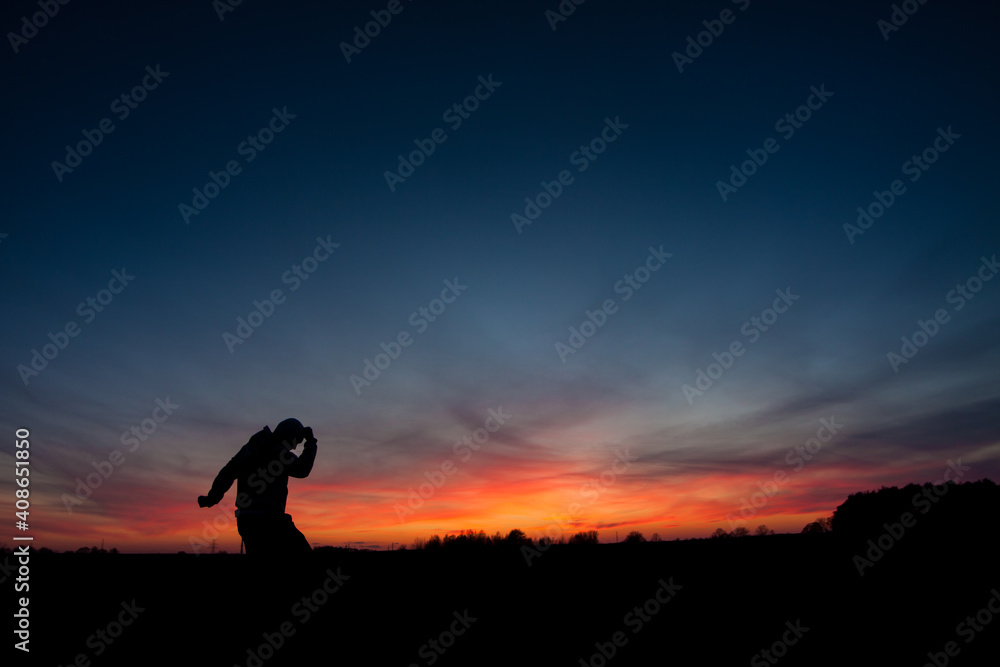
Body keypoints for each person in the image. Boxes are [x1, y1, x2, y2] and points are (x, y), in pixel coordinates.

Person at [198, 418, 318, 559]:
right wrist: (311, 443)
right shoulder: (278, 454)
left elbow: (228, 472)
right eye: (296, 442)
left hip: (247, 521)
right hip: (270, 522)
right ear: (289, 436)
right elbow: (302, 469)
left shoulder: (250, 449)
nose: (293, 447)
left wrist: (213, 496)